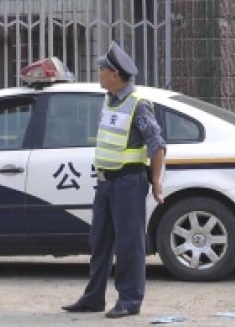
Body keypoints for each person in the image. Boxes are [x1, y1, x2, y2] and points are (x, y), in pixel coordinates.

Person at [61, 42, 166, 319]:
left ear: (115, 75)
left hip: (129, 181)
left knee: (129, 243)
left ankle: (130, 300)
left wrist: (156, 181)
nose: (98, 73)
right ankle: (93, 297)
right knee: (99, 240)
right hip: (106, 182)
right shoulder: (110, 100)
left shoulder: (138, 105)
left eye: (101, 70)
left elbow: (157, 144)